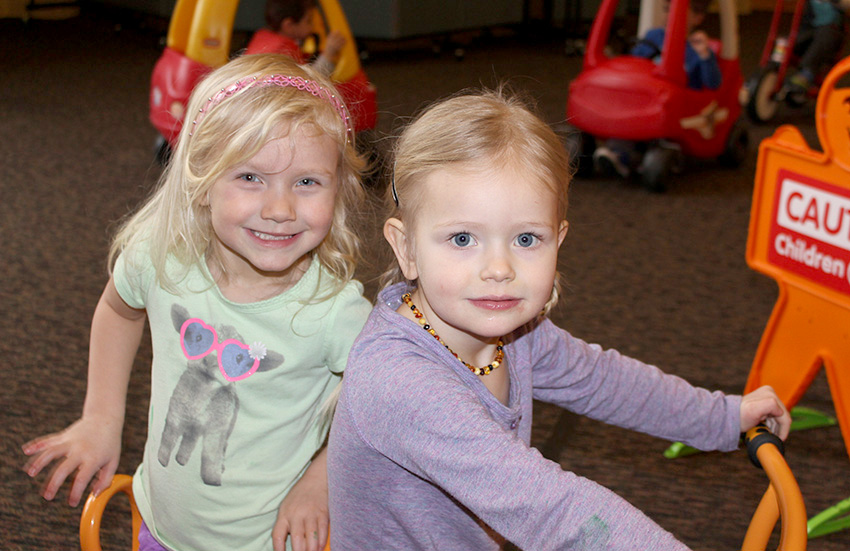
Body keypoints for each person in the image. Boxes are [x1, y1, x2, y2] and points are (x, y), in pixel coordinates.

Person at [326, 89, 792, 550]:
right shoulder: (401, 380)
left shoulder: (515, 332)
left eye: (527, 240)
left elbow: (603, 380)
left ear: (559, 240)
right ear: (406, 248)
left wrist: (722, 416)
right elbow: (547, 507)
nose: (499, 269)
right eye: (463, 238)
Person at [22, 53, 371, 551]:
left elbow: (379, 410)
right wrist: (101, 418)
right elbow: (119, 311)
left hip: (268, 541)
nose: (280, 209)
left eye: (307, 182)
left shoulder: (336, 314)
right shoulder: (161, 260)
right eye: (250, 177)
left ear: (339, 188)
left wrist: (321, 483)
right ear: (201, 182)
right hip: (161, 529)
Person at [594, 0, 721, 178]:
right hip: (645, 93)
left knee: (645, 122)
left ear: (697, 18)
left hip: (677, 104)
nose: (670, 16)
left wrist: (705, 55)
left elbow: (713, 83)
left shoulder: (697, 48)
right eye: (667, 10)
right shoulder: (654, 36)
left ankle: (621, 157)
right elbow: (635, 61)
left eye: (678, 12)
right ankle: (617, 152)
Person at [245, 0, 347, 78]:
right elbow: (306, 83)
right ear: (289, 25)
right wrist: (328, 55)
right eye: (308, 21)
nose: (313, 27)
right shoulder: (283, 48)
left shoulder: (262, 36)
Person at [784, 0, 849, 103]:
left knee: (824, 37)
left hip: (830, 31)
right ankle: (774, 67)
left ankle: (807, 73)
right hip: (809, 29)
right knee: (786, 43)